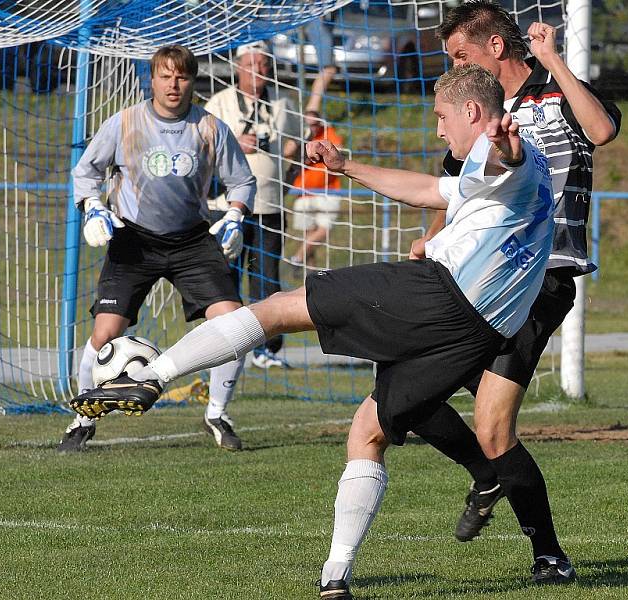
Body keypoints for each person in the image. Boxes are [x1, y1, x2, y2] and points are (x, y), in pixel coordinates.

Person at [69, 63, 556, 599]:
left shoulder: (502, 150)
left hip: (438, 294)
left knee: (280, 306)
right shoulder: (497, 164)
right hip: (477, 332)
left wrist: (504, 144)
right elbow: (427, 190)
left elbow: (503, 159)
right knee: (368, 430)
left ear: (470, 111)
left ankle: (151, 374)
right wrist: (347, 166)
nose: (439, 130)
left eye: (441, 117)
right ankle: (335, 576)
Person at [407, 1, 622, 584]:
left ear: (495, 48)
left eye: (460, 54)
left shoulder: (559, 92)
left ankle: (548, 554)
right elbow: (453, 192)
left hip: (539, 278)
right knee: (403, 388)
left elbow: (601, 131)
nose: (453, 65)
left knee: (493, 424)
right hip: (477, 277)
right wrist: (429, 241)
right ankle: (487, 472)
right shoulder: (477, 116)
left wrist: (553, 57)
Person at [57, 44, 257, 453]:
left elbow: (243, 182)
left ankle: (217, 414)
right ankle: (82, 419)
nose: (173, 84)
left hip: (192, 240)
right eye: (165, 76)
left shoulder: (210, 127)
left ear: (192, 81)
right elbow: (86, 172)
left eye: (181, 77)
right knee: (105, 333)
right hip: (134, 239)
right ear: (151, 80)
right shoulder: (125, 122)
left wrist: (236, 215)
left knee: (235, 325)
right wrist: (93, 207)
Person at [204, 41, 302, 369]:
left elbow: (297, 147)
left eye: (262, 64)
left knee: (264, 279)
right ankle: (224, 347)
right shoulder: (219, 103)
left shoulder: (285, 104)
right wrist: (233, 144)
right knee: (225, 278)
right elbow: (203, 150)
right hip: (227, 208)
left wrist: (287, 177)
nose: (257, 71)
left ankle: (265, 350)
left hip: (270, 208)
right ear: (237, 68)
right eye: (250, 64)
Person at [289, 110, 344, 270]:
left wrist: (320, 150)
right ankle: (311, 276)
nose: (311, 128)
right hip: (304, 193)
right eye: (308, 124)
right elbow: (287, 152)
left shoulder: (327, 132)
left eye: (315, 124)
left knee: (323, 231)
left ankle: (297, 257)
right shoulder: (299, 135)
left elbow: (339, 148)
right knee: (308, 236)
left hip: (328, 191)